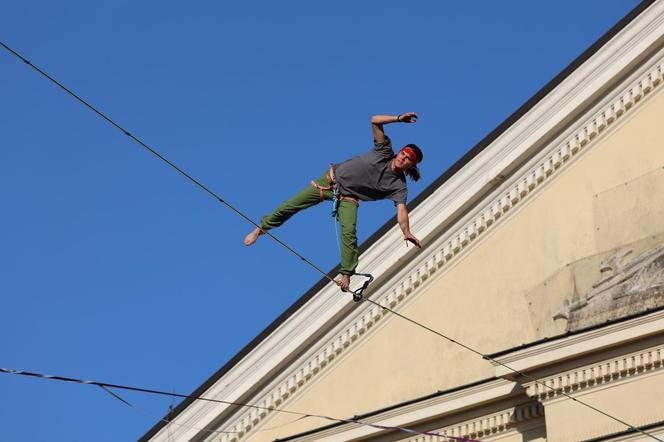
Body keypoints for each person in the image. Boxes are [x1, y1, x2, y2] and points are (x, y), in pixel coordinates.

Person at [244, 112, 423, 291]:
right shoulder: (384, 151)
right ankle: (261, 229)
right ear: (399, 151)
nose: (403, 159)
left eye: (408, 159)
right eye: (403, 153)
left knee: (349, 232)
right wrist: (399, 119)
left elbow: (401, 210)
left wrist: (406, 231)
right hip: (328, 182)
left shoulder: (399, 186)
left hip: (347, 198)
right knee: (289, 207)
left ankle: (346, 274)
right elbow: (375, 121)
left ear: (411, 166)